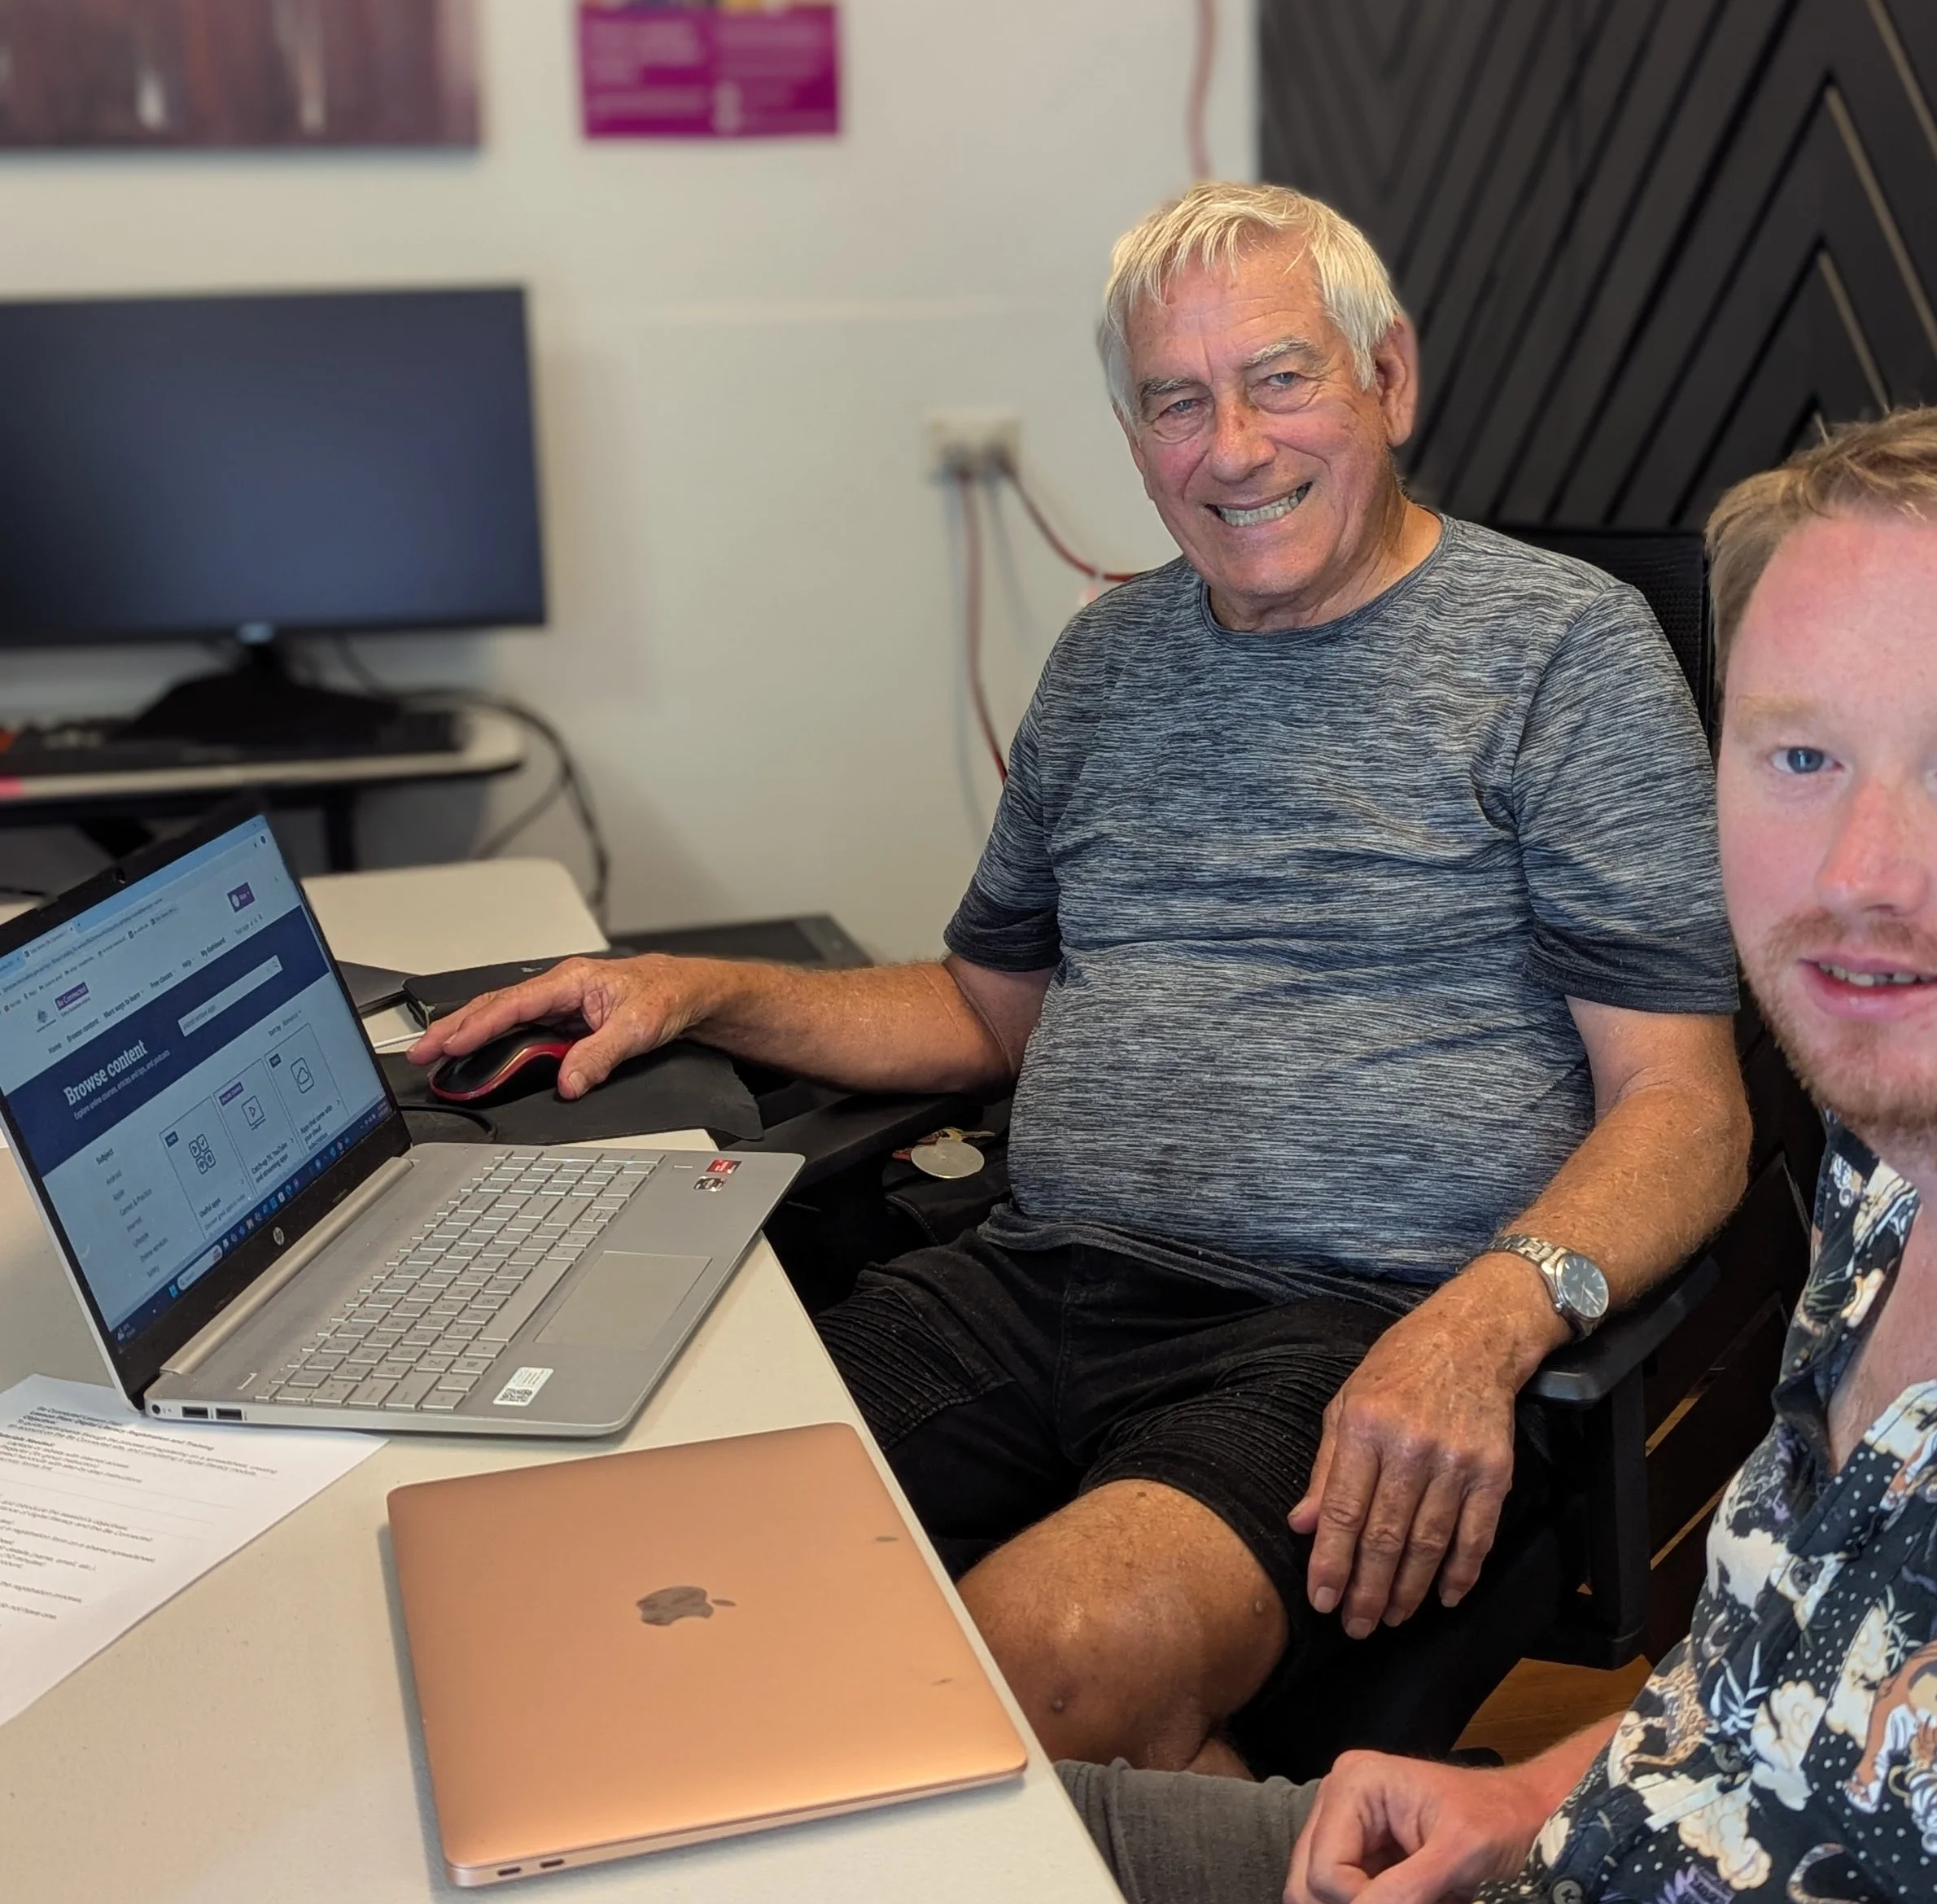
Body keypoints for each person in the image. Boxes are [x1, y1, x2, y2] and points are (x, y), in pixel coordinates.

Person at [410, 182, 1748, 1771]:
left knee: (1026, 1663)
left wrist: (1484, 1322)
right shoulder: (1111, 661)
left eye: (1277, 377)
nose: (1230, 448)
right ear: (1130, 437)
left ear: (1386, 377)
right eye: (1174, 402)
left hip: (1347, 1328)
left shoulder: (1560, 652)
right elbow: (990, 1015)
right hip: (1026, 1282)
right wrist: (693, 987)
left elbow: (1683, 1103)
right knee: (602, 1563)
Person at [1066, 386, 1937, 1904]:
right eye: (1796, 753)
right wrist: (1528, 1791)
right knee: (834, 1832)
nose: (1854, 875)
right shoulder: (1892, 1177)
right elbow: (1790, 1683)